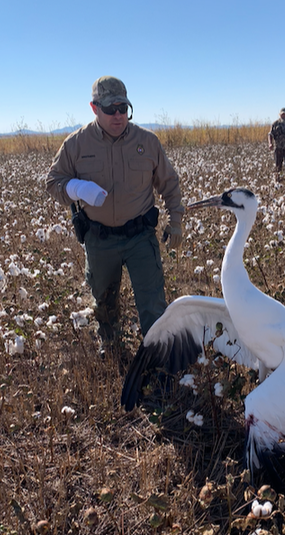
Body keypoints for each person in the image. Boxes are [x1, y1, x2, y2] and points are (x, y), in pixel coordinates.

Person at [45, 76, 184, 355]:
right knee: (104, 303)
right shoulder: (76, 144)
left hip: (140, 236)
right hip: (100, 238)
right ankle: (112, 348)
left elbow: (170, 183)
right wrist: (77, 187)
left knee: (153, 303)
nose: (118, 115)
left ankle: (156, 358)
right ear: (94, 108)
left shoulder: (147, 141)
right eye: (110, 109)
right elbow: (53, 182)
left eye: (124, 108)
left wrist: (176, 220)